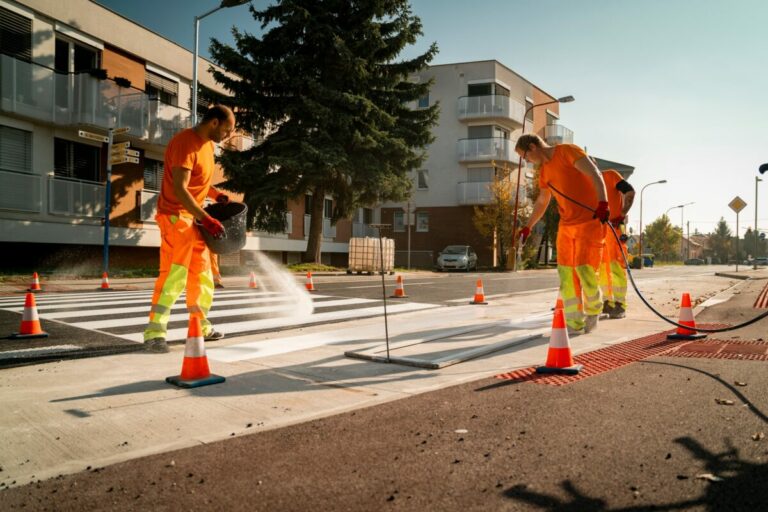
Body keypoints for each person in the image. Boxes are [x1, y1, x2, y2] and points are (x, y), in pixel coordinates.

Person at [143, 105, 235, 353]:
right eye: (227, 129)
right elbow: (181, 190)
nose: (228, 135)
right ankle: (154, 333)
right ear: (214, 123)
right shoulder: (185, 142)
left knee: (203, 276)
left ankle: (200, 327)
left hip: (193, 218)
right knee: (174, 275)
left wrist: (216, 195)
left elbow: (198, 184)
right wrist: (206, 218)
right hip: (175, 217)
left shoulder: (207, 146)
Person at [515, 134, 610, 335]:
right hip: (566, 226)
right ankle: (574, 322)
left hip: (590, 220)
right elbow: (542, 202)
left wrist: (603, 203)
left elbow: (595, 174)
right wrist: (528, 227)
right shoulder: (544, 173)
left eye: (525, 156)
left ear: (533, 147)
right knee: (566, 274)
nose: (527, 161)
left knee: (585, 269)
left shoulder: (567, 151)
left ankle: (594, 309)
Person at [598, 166, 635, 319]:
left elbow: (630, 191)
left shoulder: (610, 176)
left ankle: (619, 304)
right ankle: (607, 302)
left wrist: (623, 213)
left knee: (616, 268)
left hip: (614, 228)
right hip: (598, 231)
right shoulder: (586, 182)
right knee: (602, 269)